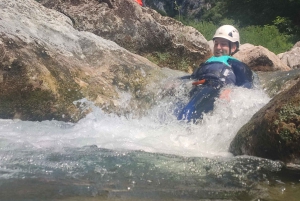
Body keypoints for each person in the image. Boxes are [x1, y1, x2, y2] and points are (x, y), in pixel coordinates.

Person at [177, 25, 254, 122]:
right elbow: (192, 77)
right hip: (198, 89)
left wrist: (231, 90)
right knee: (175, 107)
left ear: (233, 47)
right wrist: (177, 81)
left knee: (186, 114)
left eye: (223, 44)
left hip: (215, 89)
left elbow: (247, 83)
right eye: (216, 43)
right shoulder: (205, 63)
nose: (218, 47)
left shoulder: (235, 63)